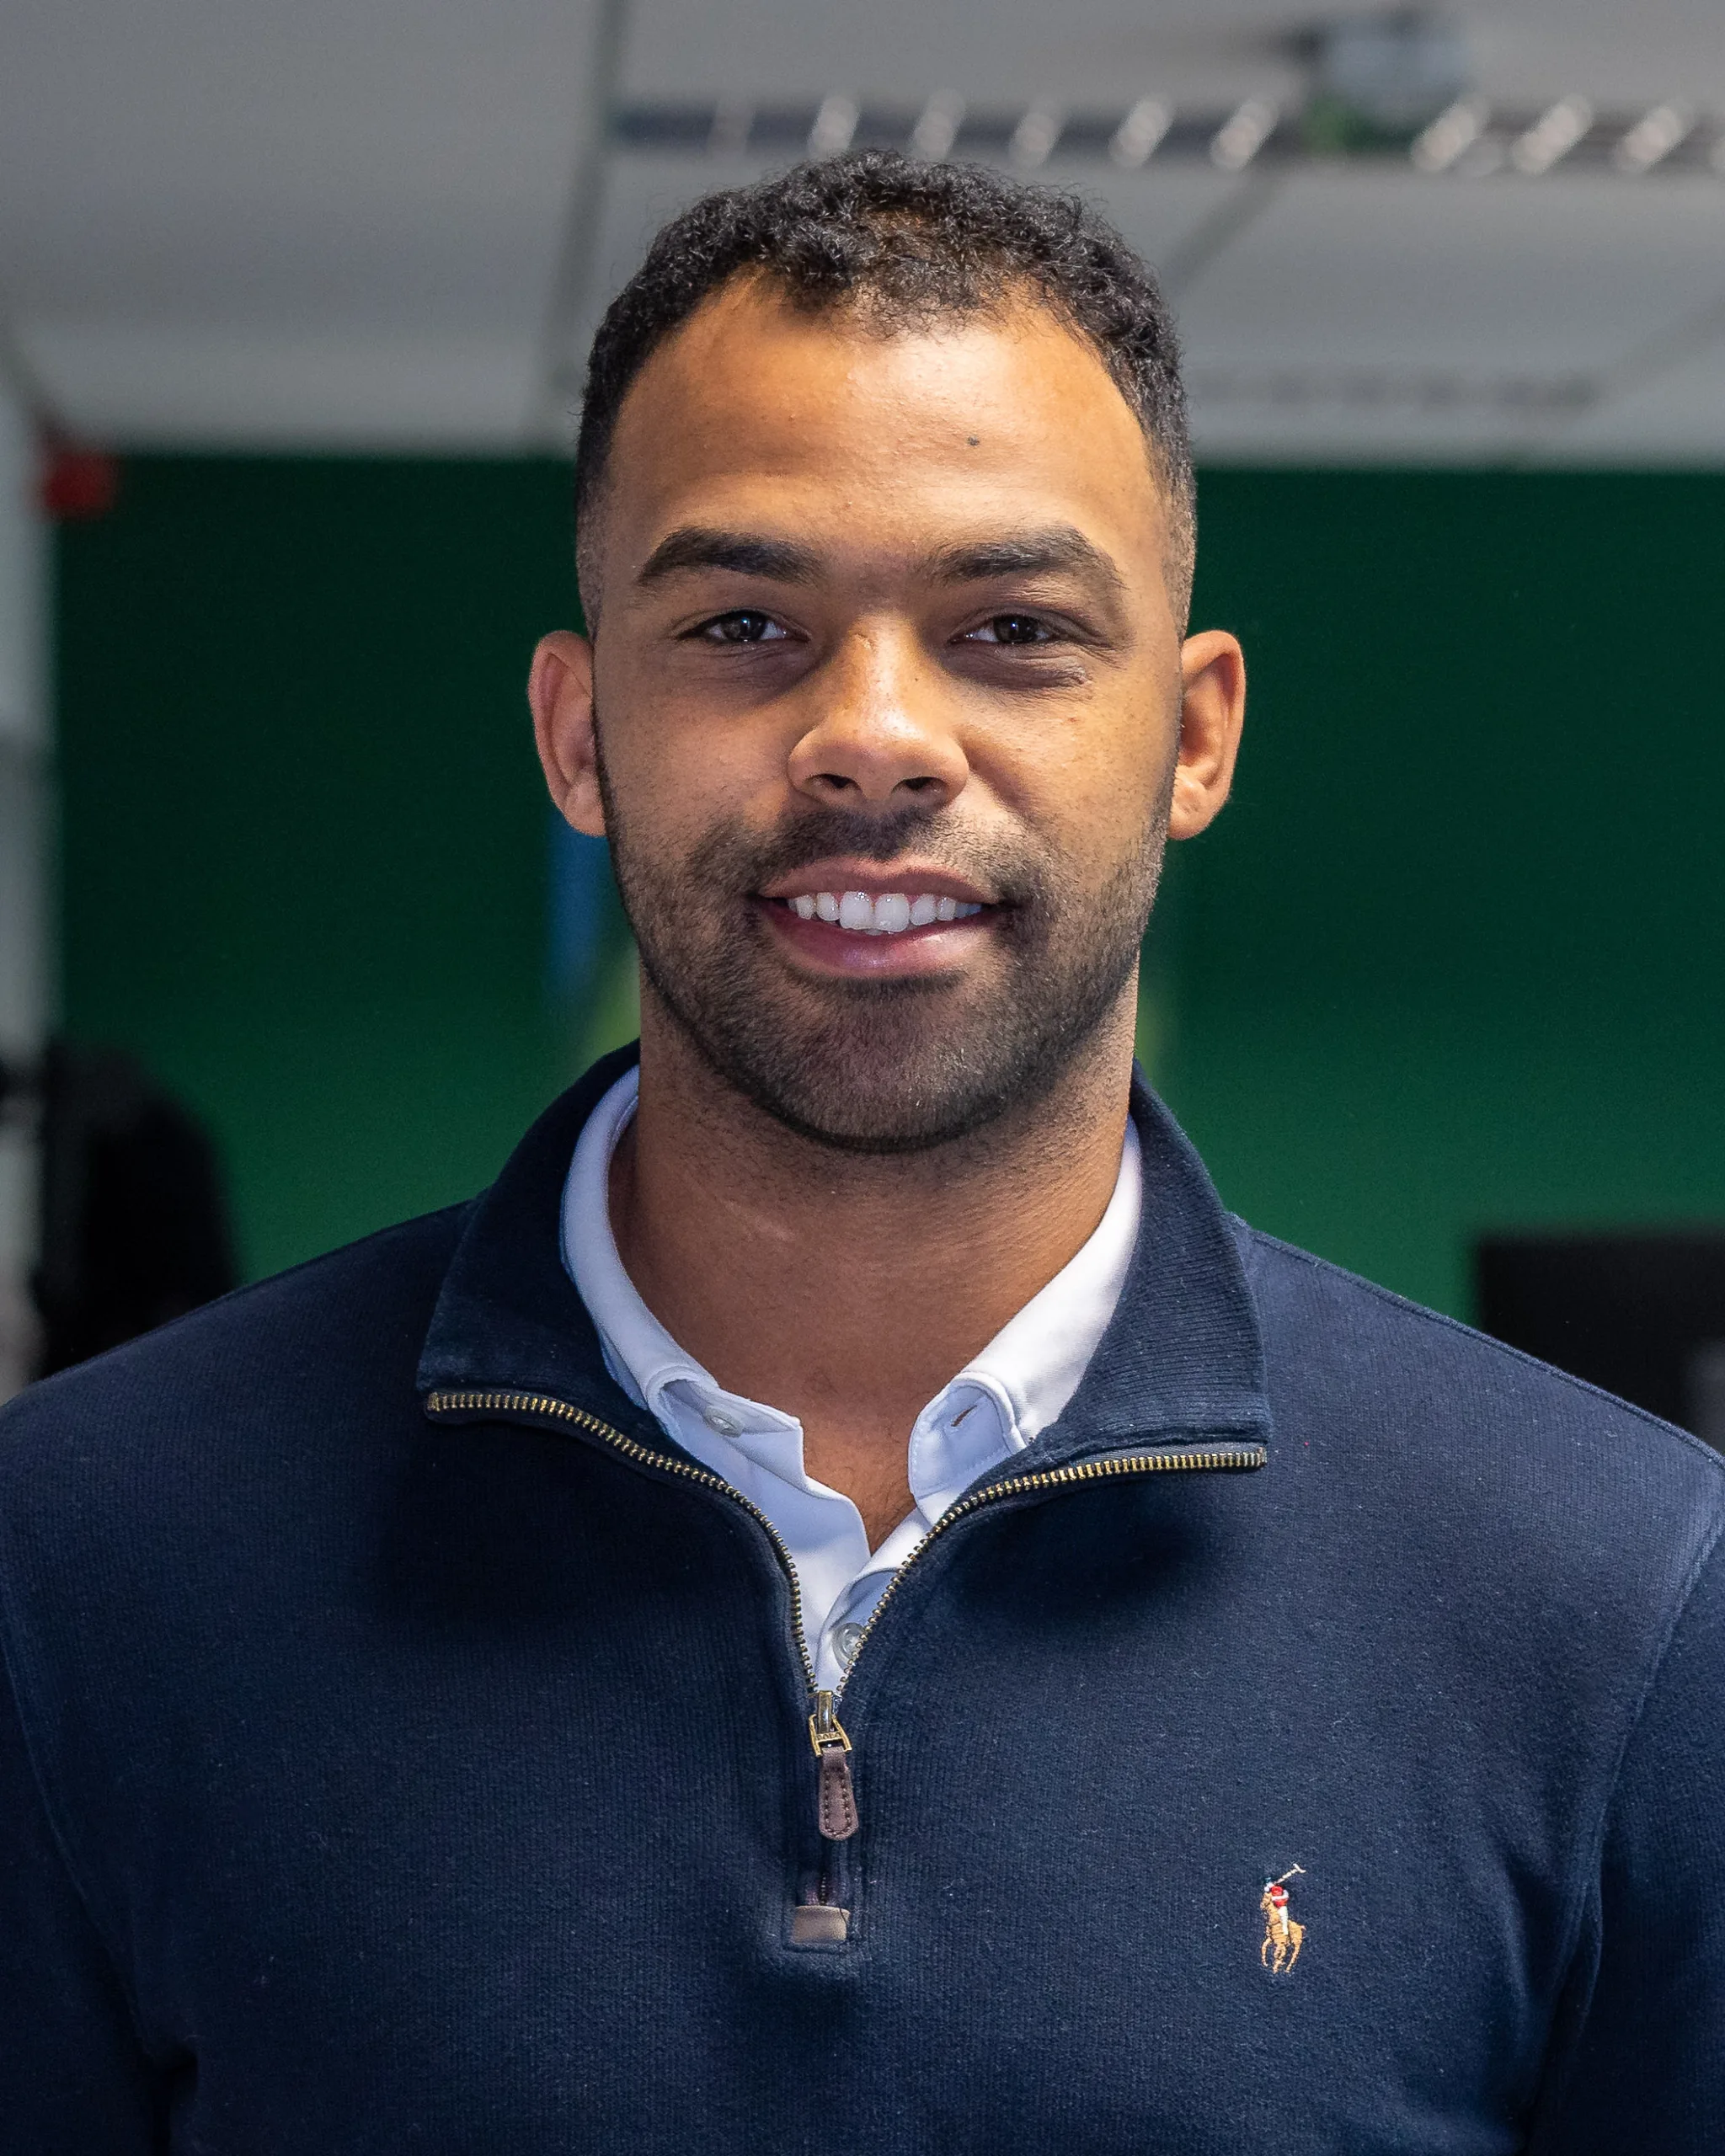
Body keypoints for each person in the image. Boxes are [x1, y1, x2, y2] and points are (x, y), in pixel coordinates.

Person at [1, 152, 1720, 2154]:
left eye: (1012, 627)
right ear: (578, 731)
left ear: (1192, 735)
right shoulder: (82, 1558)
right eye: (743, 621)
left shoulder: (1619, 1604)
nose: (877, 733)